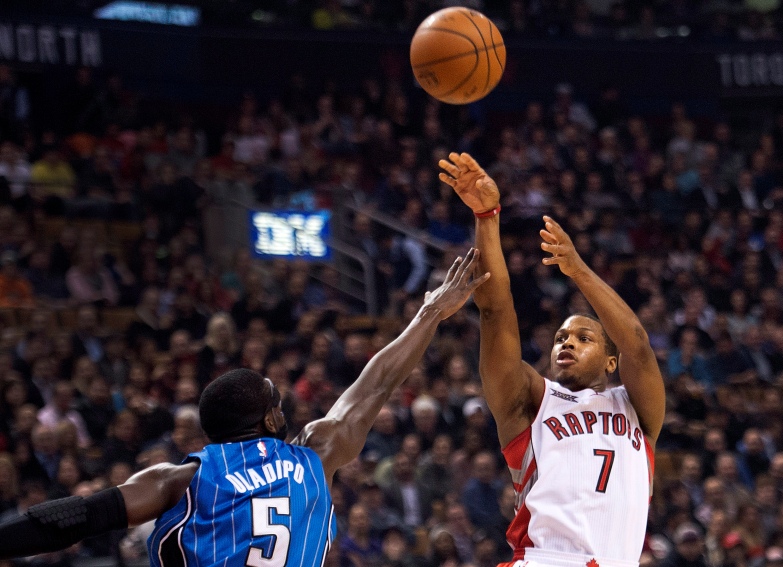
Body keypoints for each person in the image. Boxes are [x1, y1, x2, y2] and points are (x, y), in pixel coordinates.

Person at [0, 251, 490, 567]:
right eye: (276, 401)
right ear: (270, 419)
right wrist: (431, 313)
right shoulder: (316, 455)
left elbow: (74, 517)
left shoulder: (179, 479)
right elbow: (378, 380)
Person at [438, 152, 666, 567]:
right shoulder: (533, 400)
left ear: (610, 362)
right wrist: (487, 216)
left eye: (584, 337)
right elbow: (495, 311)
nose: (567, 343)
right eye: (561, 337)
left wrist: (577, 269)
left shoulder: (639, 411)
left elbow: (636, 343)